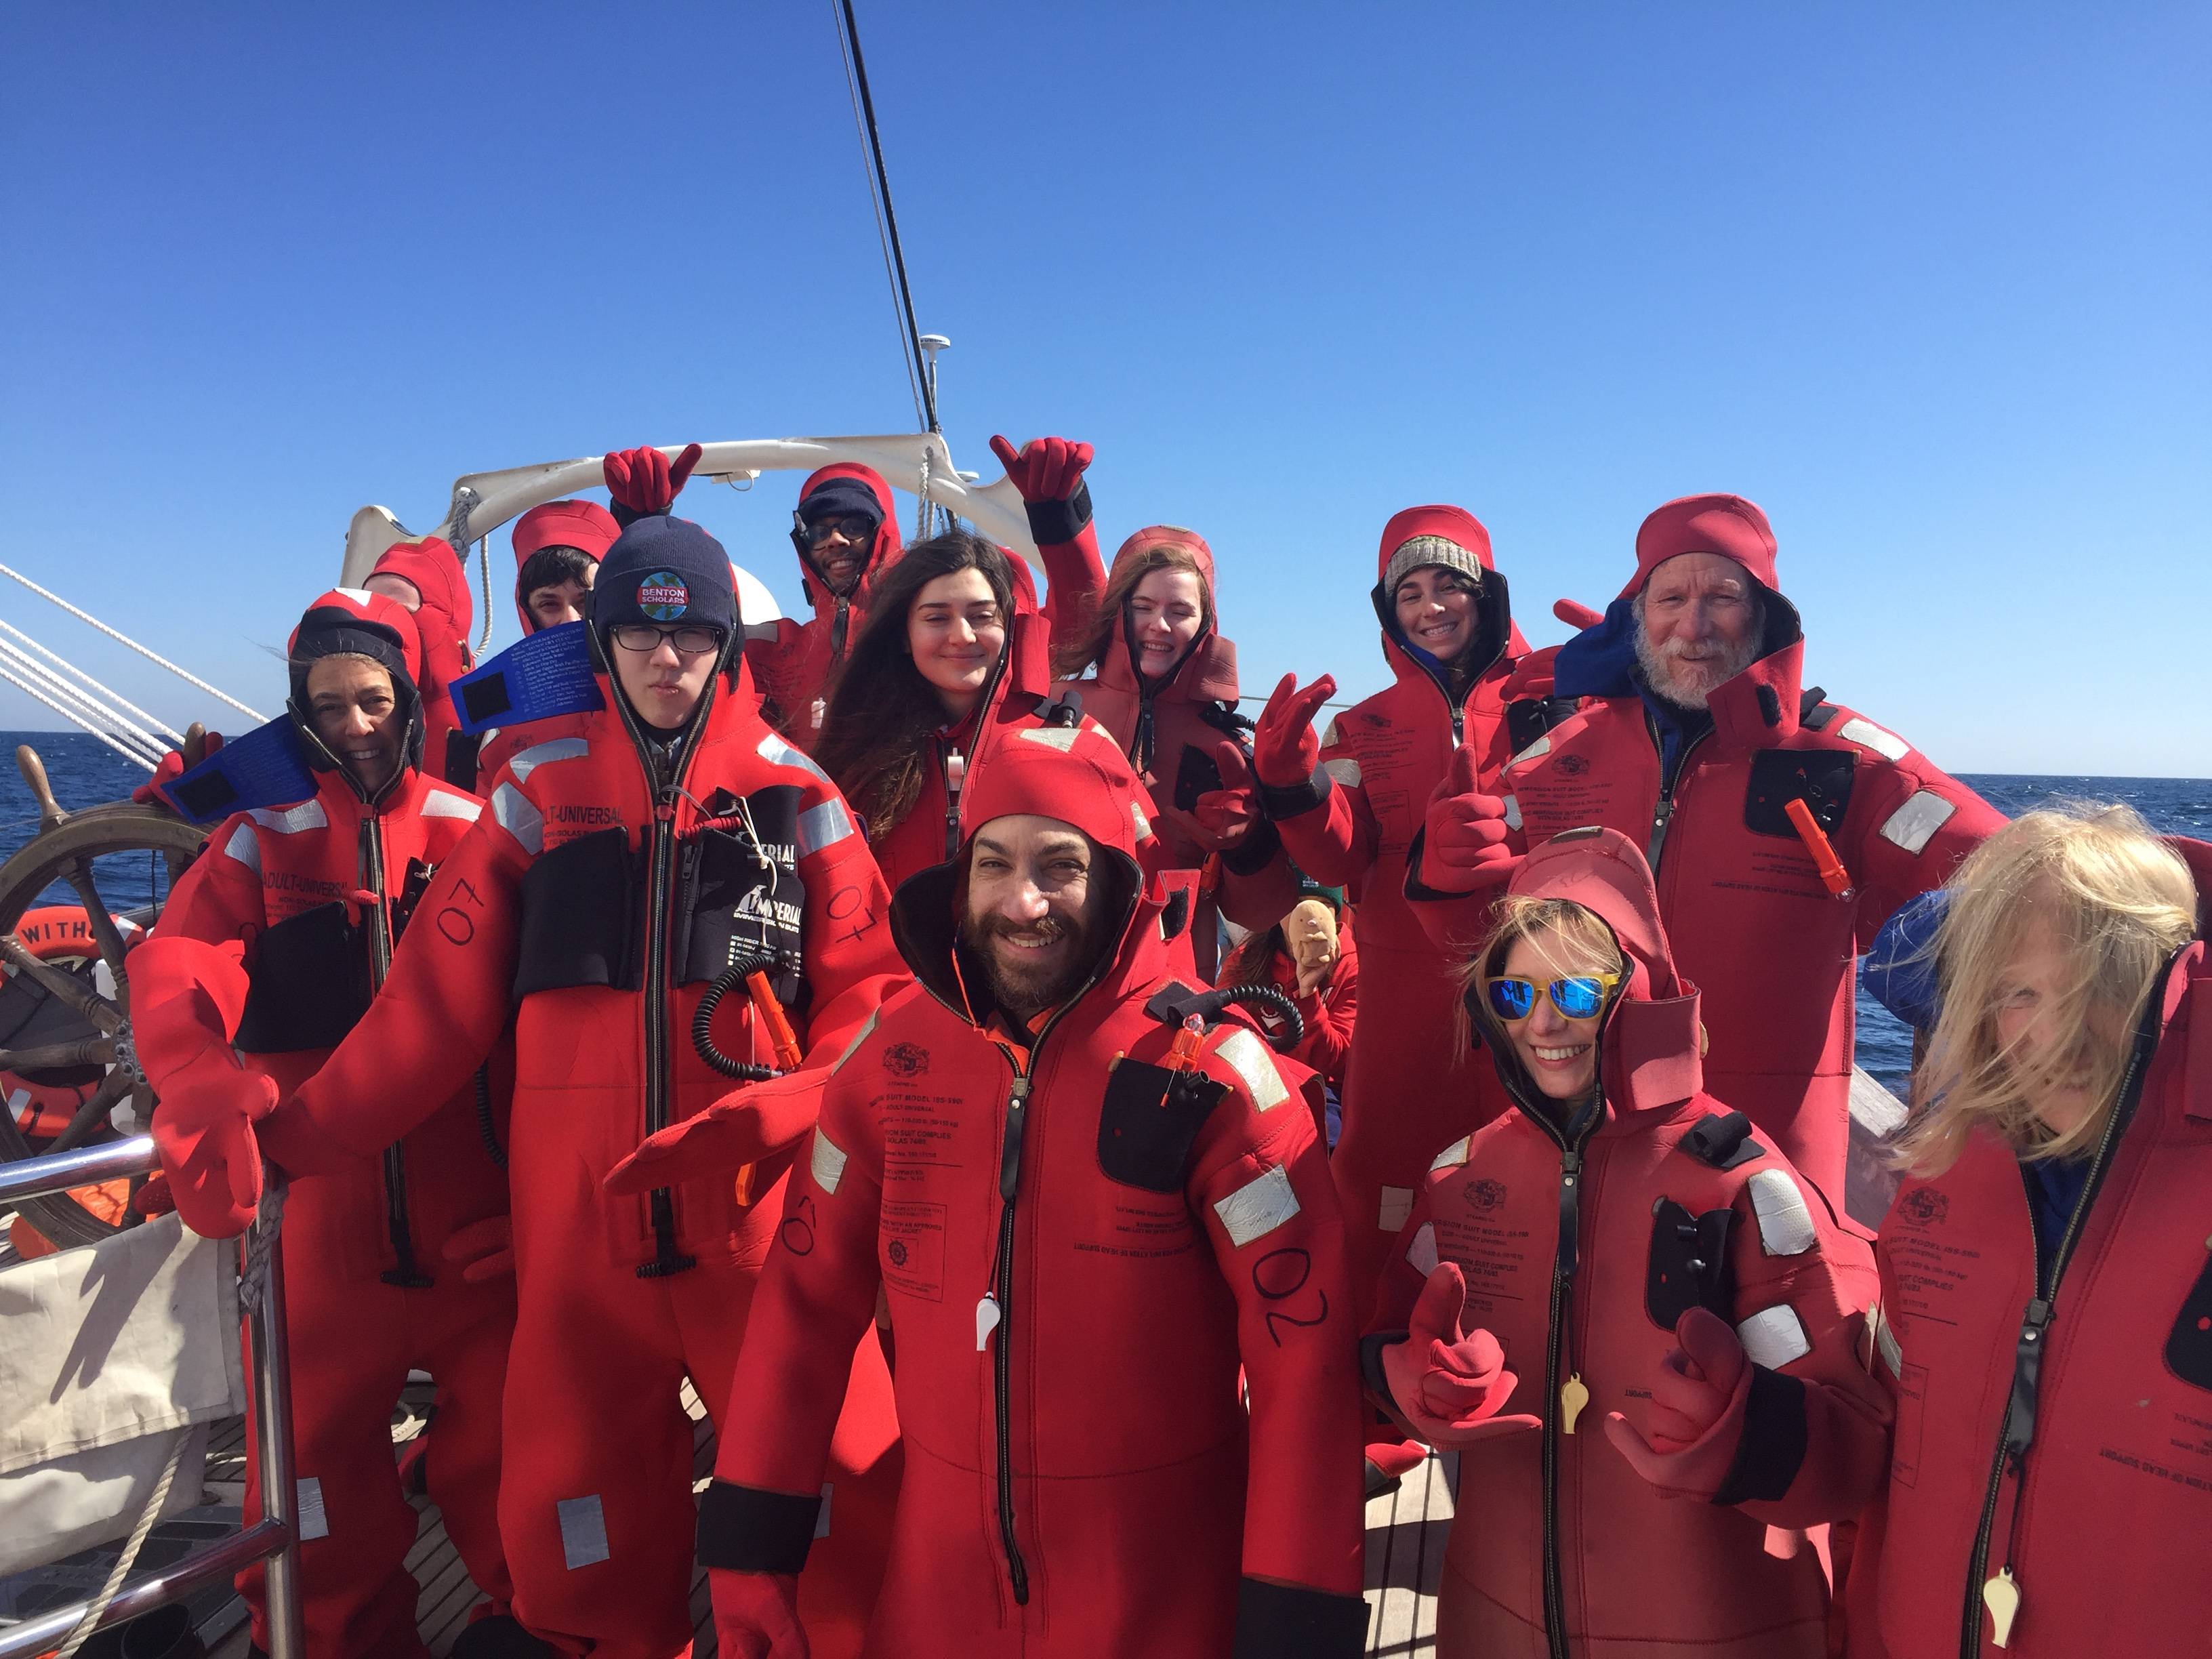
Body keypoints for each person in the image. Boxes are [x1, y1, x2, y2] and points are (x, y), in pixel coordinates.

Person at [148, 519, 907, 1659]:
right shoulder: (532, 796)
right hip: (577, 1251)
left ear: (722, 645)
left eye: (690, 632)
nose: (665, 658)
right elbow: (431, 1012)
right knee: (576, 1520)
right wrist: (285, 1142)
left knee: (843, 1482)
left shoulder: (798, 798)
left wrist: (795, 1103)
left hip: (755, 1232)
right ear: (602, 645)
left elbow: (878, 995)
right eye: (640, 632)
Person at [603, 724, 1367, 1657]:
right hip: (938, 1599)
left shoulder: (1214, 1080)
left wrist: (1295, 1625)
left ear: (1122, 880)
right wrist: (750, 1556)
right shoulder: (895, 1059)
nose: (1022, 900)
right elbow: (804, 1301)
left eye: (1062, 865)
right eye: (994, 862)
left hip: (1162, 1602)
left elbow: (1305, 1368)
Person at [130, 588, 533, 1659]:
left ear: (409, 700)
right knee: (310, 1475)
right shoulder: (259, 841)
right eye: (329, 702)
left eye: (374, 699)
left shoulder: (475, 832)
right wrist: (191, 1070)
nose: (356, 724)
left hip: (474, 1229)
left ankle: (524, 1628)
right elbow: (178, 963)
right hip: (321, 1238)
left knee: (510, 1457)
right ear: (297, 708)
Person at [1368, 826, 1885, 1657]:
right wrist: (1416, 1383)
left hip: (1709, 1631)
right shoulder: (1461, 1178)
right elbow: (1389, 1339)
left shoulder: (1743, 1185)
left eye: (1574, 994)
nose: (1543, 1022)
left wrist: (1744, 1434)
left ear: (1634, 997)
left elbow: (1857, 1443)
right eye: (1514, 996)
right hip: (1492, 1625)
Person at [1416, 493, 2004, 1204]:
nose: (1693, 627)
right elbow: (1481, 953)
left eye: (1721, 597)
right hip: (1587, 1141)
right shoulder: (1554, 762)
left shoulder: (1851, 765)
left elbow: (2018, 873)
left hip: (1774, 1160)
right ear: (1636, 617)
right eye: (1669, 598)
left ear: (1764, 616)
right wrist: (1445, 881)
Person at [1841, 806, 2212, 1658]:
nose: (2060, 1042)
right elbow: (1887, 1459)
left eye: (2111, 989)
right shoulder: (1943, 1201)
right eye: (2019, 993)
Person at [1248, 506, 1539, 1372]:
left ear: (1487, 594)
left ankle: (1525, 1357)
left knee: (1522, 1178)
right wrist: (1291, 785)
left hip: (1531, 993)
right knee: (1383, 1178)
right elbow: (1340, 855)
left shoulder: (1552, 701)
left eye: (1450, 583)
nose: (1431, 606)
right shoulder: (1361, 727)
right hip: (1406, 1002)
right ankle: (1380, 1379)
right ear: (1387, 610)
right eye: (1408, 592)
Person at [1052, 524, 1296, 977]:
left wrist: (1248, 847)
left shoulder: (1224, 747)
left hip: (1168, 985)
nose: (1158, 625)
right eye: (1142, 606)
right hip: (1047, 963)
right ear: (1118, 611)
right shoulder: (1051, 708)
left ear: (1205, 624)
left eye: (1180, 610)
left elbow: (1259, 914)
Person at [1218, 880, 1359, 1109]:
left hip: (1322, 1092)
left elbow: (1340, 1062)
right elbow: (1221, 1029)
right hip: (1257, 1081)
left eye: (1323, 904)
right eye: (1298, 904)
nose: (1310, 920)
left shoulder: (1351, 966)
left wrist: (1308, 994)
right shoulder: (1246, 959)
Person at [366, 535, 478, 787]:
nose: (381, 624)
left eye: (399, 611)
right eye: (372, 609)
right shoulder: (353, 713)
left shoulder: (501, 708)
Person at [511, 498, 619, 633]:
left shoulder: (651, 652)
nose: (571, 620)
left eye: (587, 602)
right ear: (527, 611)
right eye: (549, 605)